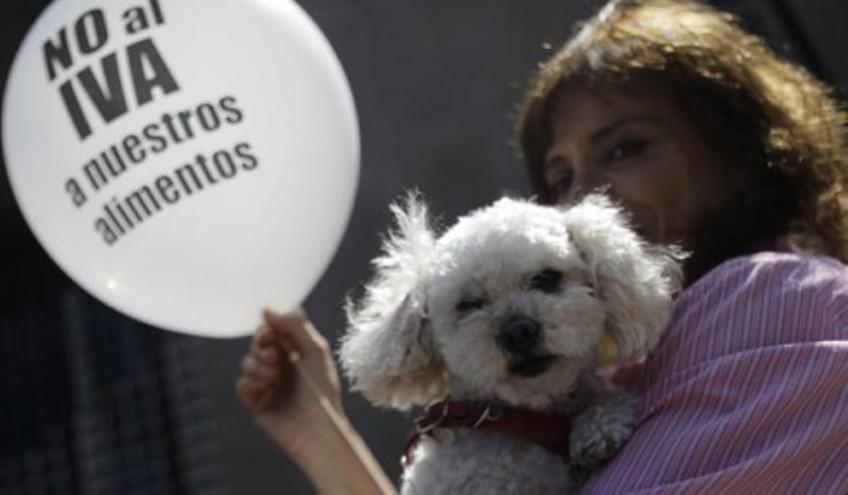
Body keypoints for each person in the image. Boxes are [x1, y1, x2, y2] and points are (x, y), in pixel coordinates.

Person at [235, 0, 848, 493]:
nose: (584, 193)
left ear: (740, 153)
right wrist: (317, 432)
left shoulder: (778, 298)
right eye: (559, 178)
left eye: (624, 148)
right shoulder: (624, 372)